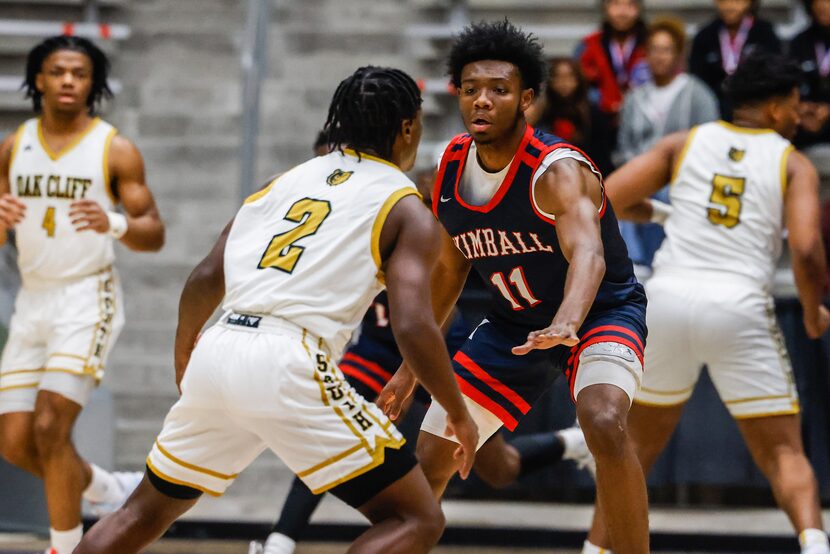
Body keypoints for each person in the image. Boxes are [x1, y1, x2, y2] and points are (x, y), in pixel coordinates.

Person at [75, 65, 480, 554]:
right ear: (408, 128)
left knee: (140, 512)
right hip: (289, 358)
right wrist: (457, 411)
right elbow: (412, 323)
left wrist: (185, 353)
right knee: (416, 518)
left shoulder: (280, 183)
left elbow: (205, 277)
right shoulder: (405, 204)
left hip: (220, 346)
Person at [379, 20, 650, 553]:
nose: (482, 101)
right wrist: (410, 370)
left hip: (598, 314)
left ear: (526, 99)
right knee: (433, 455)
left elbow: (589, 256)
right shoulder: (450, 166)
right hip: (512, 325)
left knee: (603, 419)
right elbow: (449, 272)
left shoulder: (557, 171)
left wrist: (568, 322)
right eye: (471, 89)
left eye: (498, 90)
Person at [250, 138, 595, 554]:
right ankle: (280, 541)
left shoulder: (413, 209)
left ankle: (571, 444)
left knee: (497, 468)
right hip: (379, 345)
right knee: (331, 432)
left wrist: (418, 363)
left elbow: (436, 306)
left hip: (435, 344)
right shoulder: (334, 206)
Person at [586, 52, 830, 554]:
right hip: (738, 305)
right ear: (780, 109)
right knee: (783, 450)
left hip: (667, 300)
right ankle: (815, 547)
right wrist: (812, 311)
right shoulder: (793, 162)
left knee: (632, 449)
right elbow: (806, 250)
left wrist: (661, 213)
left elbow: (605, 197)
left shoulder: (686, 141)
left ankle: (594, 550)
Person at [0, 36, 164, 554]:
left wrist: (114, 222)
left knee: (51, 425)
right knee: (14, 442)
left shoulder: (114, 147)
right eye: (57, 71)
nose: (69, 80)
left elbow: (154, 232)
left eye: (80, 72)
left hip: (87, 298)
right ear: (39, 80)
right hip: (33, 300)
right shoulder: (13, 145)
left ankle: (65, 546)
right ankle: (106, 486)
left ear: (93, 84)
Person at [615, 18, 719, 272]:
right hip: (641, 173)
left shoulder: (698, 93)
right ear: (646, 54)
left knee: (662, 193)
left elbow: (710, 144)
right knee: (623, 189)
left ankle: (658, 262)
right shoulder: (634, 97)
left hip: (682, 177)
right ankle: (636, 265)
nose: (660, 57)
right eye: (654, 50)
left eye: (667, 49)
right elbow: (623, 146)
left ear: (678, 54)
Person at [689, 0, 781, 118]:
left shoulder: (765, 34)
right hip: (714, 114)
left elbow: (774, 75)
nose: (729, 6)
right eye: (724, 1)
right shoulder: (704, 36)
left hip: (755, 114)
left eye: (736, 0)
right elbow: (697, 81)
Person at [526, 58, 615, 176]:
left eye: (570, 77)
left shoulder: (593, 114)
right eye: (557, 77)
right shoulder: (542, 112)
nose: (564, 83)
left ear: (579, 80)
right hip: (544, 173)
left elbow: (602, 156)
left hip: (588, 175)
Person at [575, 0, 650, 122]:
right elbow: (577, 89)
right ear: (605, 7)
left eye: (630, 5)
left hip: (644, 118)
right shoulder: (588, 46)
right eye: (616, 4)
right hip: (599, 121)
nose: (622, 12)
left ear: (639, 9)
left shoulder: (652, 45)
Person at [790, 0, 830, 147]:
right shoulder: (800, 42)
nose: (823, 6)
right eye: (818, 1)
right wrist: (802, 107)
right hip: (806, 115)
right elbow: (790, 82)